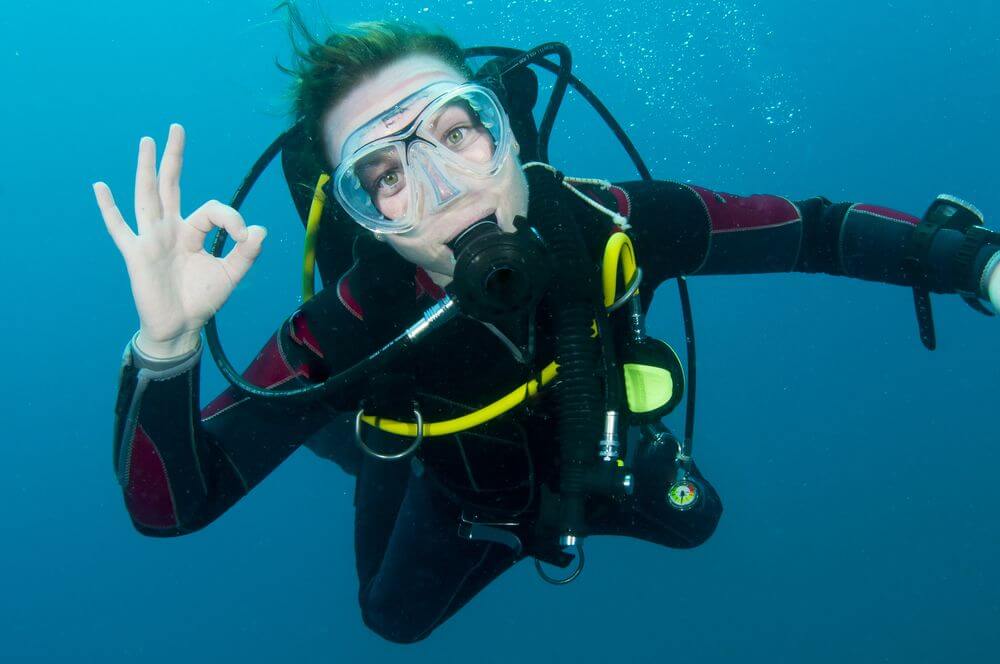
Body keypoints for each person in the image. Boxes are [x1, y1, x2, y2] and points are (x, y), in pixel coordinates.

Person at [94, 21, 1000, 644]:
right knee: (391, 621)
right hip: (461, 497)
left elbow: (813, 229)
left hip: (594, 446)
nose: (449, 186)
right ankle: (369, 446)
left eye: (460, 131)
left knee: (699, 527)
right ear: (366, 216)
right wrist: (166, 348)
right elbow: (172, 506)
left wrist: (973, 263)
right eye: (388, 172)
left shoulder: (609, 221)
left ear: (508, 132)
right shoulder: (351, 323)